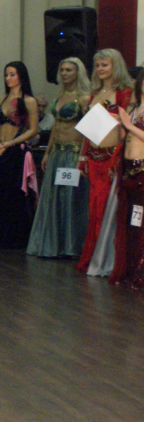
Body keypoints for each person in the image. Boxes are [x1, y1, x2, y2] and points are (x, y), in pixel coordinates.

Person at [26, 58, 90, 258]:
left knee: (70, 198)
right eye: (62, 69)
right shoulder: (60, 95)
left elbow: (88, 129)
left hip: (73, 152)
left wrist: (82, 156)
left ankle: (71, 246)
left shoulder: (84, 98)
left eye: (69, 70)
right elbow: (56, 126)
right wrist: (47, 152)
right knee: (53, 198)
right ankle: (52, 244)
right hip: (57, 152)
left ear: (78, 72)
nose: (64, 73)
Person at [78, 49, 133, 276]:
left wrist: (118, 159)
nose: (100, 69)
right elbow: (88, 130)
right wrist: (82, 156)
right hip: (94, 156)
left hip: (112, 155)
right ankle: (93, 257)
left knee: (109, 209)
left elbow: (126, 129)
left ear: (115, 66)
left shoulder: (125, 92)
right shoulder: (95, 93)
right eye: (98, 65)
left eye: (105, 65)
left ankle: (107, 260)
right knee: (94, 208)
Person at [0, 62, 39, 248]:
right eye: (6, 75)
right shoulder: (1, 99)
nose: (8, 78)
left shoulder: (29, 101)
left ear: (21, 76)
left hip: (16, 152)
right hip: (0, 151)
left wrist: (11, 143)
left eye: (12, 74)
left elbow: (33, 129)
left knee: (13, 196)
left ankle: (12, 237)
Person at [116, 71, 144, 285]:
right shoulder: (134, 109)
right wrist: (120, 125)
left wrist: (129, 125)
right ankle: (130, 268)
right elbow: (123, 139)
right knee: (130, 221)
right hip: (127, 168)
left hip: (142, 170)